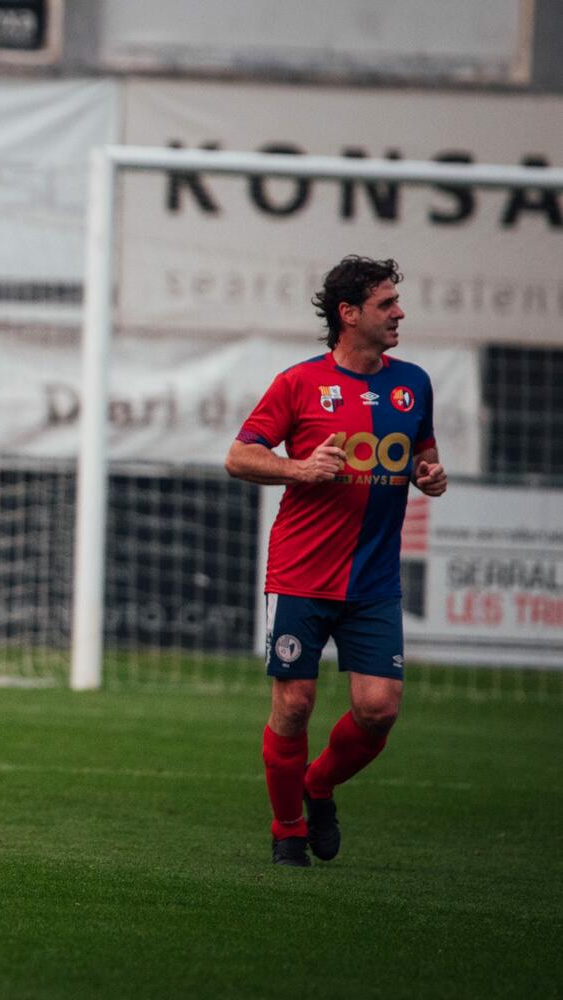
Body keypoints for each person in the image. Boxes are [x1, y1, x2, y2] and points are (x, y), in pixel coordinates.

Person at [225, 255, 447, 868]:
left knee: (379, 710)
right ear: (348, 314)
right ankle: (287, 830)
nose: (399, 313)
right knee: (294, 704)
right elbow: (239, 456)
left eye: (396, 302)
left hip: (373, 581)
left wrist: (430, 475)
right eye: (386, 304)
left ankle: (317, 786)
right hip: (300, 574)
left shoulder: (414, 383)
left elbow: (424, 456)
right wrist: (298, 468)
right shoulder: (299, 383)